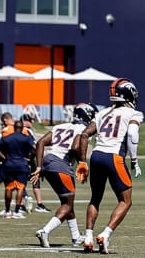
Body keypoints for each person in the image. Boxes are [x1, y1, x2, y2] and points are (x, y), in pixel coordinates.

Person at [81, 78, 143, 253]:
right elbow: (132, 133)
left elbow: (84, 135)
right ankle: (105, 234)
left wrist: (82, 161)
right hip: (114, 156)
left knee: (95, 198)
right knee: (125, 200)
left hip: (96, 155)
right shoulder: (134, 114)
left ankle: (87, 237)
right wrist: (134, 160)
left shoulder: (102, 113)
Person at [32, 102, 96, 248]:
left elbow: (40, 142)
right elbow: (75, 146)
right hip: (61, 164)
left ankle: (75, 237)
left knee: (67, 201)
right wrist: (82, 162)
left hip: (48, 160)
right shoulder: (83, 129)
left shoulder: (61, 126)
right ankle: (45, 231)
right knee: (68, 203)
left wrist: (39, 166)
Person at [0, 117, 36, 219]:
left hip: (9, 164)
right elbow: (35, 149)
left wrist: (4, 158)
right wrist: (30, 158)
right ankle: (17, 211)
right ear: (22, 128)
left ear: (14, 128)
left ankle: (8, 210)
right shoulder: (26, 138)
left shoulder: (7, 138)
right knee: (20, 188)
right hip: (22, 164)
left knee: (8, 187)